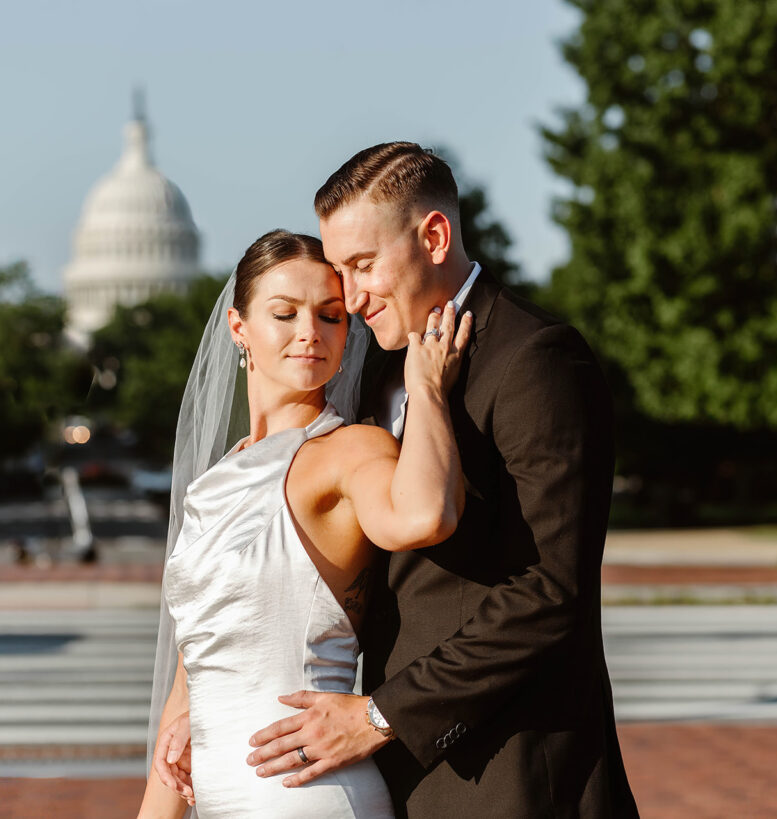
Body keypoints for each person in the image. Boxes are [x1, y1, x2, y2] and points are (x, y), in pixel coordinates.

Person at [229, 143, 639, 817]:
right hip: (398, 778)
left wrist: (382, 715)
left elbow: (551, 591)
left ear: (436, 235)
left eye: (363, 265)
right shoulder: (372, 369)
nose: (351, 296)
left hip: (512, 775)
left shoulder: (536, 360)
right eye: (340, 270)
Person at [138, 228, 473, 819]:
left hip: (306, 795)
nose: (309, 334)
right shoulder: (210, 485)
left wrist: (427, 391)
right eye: (284, 313)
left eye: (331, 315)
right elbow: (191, 676)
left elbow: (425, 515)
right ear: (238, 328)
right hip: (217, 799)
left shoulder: (350, 450)